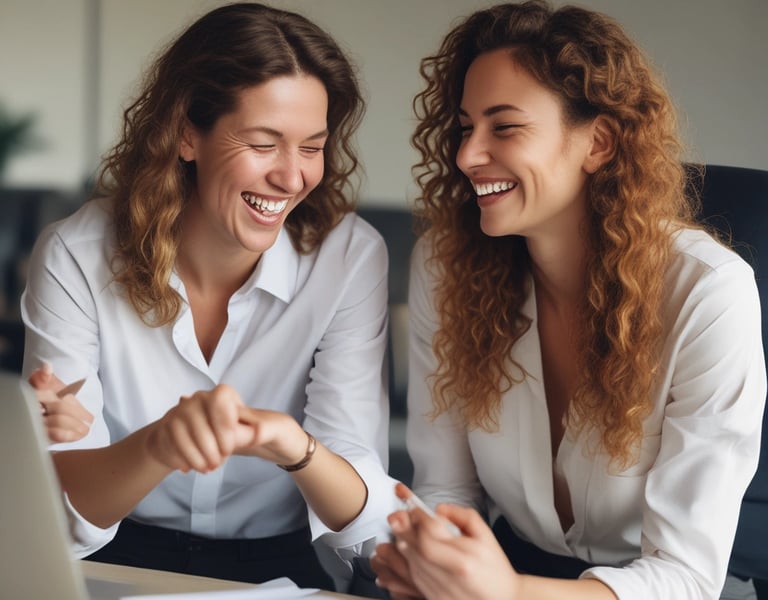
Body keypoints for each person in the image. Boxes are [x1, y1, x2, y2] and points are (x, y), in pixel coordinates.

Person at [370, 2, 766, 599]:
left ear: (599, 142)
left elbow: (685, 578)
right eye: (464, 126)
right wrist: (434, 562)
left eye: (504, 127)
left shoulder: (706, 293)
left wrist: (509, 594)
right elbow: (447, 491)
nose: (466, 155)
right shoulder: (447, 269)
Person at [22, 2, 399, 592]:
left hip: (279, 567)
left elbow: (361, 511)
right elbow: (68, 514)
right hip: (121, 553)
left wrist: (290, 444)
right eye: (263, 142)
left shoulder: (349, 258)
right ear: (186, 134)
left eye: (312, 146)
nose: (292, 177)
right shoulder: (77, 252)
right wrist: (159, 444)